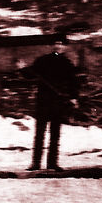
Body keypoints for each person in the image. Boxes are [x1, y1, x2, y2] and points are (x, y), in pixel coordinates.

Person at [18, 36, 80, 170]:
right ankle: (35, 163)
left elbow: (73, 83)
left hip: (58, 102)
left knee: (55, 134)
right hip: (43, 101)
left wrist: (74, 97)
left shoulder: (67, 64)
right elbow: (31, 75)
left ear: (65, 47)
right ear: (52, 46)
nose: (58, 46)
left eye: (61, 44)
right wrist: (22, 69)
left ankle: (52, 163)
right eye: (56, 43)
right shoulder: (43, 60)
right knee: (39, 134)